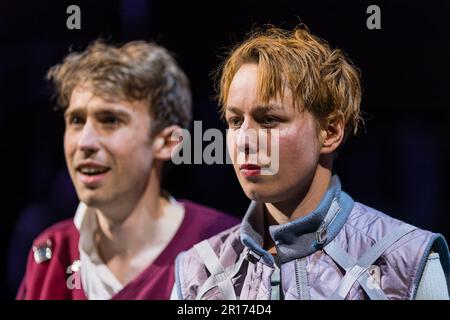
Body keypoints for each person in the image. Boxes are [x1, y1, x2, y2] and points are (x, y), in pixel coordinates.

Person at [173, 26, 450, 300]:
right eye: (235, 121)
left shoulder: (405, 261)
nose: (244, 140)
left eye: (269, 119)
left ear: (330, 132)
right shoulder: (198, 272)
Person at [17, 40, 239, 300]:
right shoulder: (51, 253)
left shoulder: (224, 249)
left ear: (168, 142)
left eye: (110, 120)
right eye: (76, 120)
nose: (84, 142)